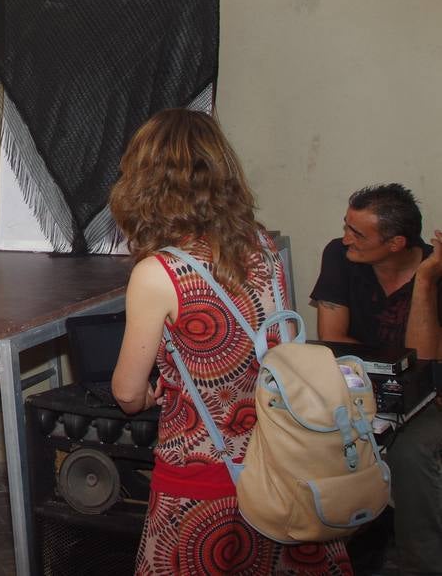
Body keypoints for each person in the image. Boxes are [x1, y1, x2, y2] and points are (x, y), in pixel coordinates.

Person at [108, 109, 350, 574]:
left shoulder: (158, 273)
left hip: (205, 473)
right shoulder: (261, 246)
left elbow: (126, 391)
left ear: (143, 184)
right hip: (283, 461)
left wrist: (146, 394)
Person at [310, 183, 441, 576]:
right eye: (347, 226)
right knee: (311, 430)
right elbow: (332, 339)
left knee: (409, 450)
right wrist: (395, 366)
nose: (346, 237)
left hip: (428, 399)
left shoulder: (433, 275)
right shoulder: (340, 255)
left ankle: (424, 563)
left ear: (397, 243)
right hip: (358, 390)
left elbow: (425, 364)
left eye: (358, 233)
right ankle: (340, 550)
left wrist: (424, 282)